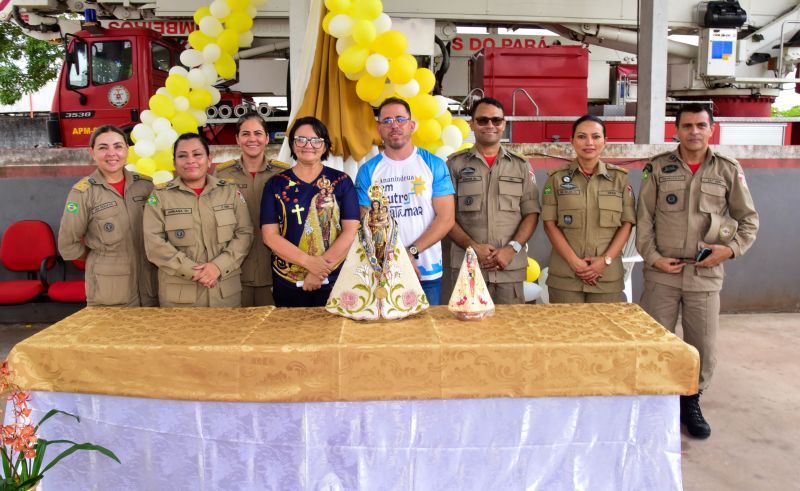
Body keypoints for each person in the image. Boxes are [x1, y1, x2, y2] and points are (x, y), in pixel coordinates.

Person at [637, 103, 759, 439]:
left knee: (701, 344)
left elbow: (748, 219)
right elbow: (644, 218)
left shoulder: (727, 170)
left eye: (700, 126)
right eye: (687, 126)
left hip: (706, 274)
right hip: (663, 272)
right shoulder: (659, 168)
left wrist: (730, 250)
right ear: (675, 130)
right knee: (656, 338)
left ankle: (690, 399)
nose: (694, 132)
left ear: (711, 129)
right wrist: (652, 257)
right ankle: (658, 401)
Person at [355, 97, 455, 305]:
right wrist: (394, 258)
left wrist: (410, 252)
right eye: (387, 121)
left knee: (426, 333)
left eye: (400, 119)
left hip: (426, 271)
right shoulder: (367, 171)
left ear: (412, 125)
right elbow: (366, 224)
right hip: (382, 271)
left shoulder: (434, 164)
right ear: (379, 128)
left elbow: (446, 219)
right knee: (386, 335)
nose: (395, 125)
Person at [446, 97, 540, 304]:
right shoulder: (454, 164)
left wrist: (511, 249)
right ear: (471, 124)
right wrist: (473, 247)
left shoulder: (521, 166)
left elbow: (531, 213)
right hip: (467, 265)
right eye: (482, 120)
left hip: (509, 267)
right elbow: (445, 217)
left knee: (510, 331)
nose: (490, 125)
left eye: (496, 121)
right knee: (468, 333)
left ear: (504, 124)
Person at [143, 133, 253, 307]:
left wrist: (218, 266)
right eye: (182, 156)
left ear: (209, 160)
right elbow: (154, 244)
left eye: (197, 154)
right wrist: (194, 272)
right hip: (180, 298)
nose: (190, 160)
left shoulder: (229, 192)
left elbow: (245, 233)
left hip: (224, 294)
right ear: (174, 163)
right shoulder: (160, 197)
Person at [260, 116, 359, 307]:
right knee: (292, 333)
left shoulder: (342, 181)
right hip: (288, 280)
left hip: (335, 279)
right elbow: (270, 236)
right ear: (292, 144)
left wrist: (319, 270)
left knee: (334, 334)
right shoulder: (275, 184)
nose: (308, 145)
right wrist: (308, 262)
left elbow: (351, 230)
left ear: (325, 146)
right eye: (301, 139)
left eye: (316, 140)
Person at [58, 125, 157, 306]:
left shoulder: (146, 186)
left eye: (118, 146)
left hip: (150, 286)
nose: (112, 153)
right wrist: (101, 258)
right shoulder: (82, 193)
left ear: (127, 150)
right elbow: (67, 244)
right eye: (103, 147)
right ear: (92, 153)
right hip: (110, 291)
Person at [541, 115, 636, 303]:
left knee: (603, 331)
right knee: (564, 331)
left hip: (606, 276)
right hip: (565, 277)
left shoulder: (620, 179)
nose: (589, 142)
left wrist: (605, 261)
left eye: (596, 136)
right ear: (572, 141)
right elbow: (549, 225)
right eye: (582, 136)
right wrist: (574, 263)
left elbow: (627, 224)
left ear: (605, 141)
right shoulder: (556, 179)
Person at [214, 112, 289, 306]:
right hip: (235, 267)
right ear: (237, 139)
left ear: (266, 138)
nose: (252, 139)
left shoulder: (283, 173)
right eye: (246, 134)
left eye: (258, 133)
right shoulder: (222, 173)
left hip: (274, 266)